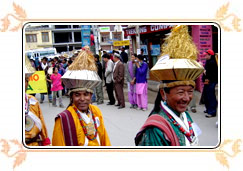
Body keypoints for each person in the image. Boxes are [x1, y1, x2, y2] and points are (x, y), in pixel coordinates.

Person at [135, 25, 204, 146]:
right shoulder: (155, 130)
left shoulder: (184, 115)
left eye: (190, 91)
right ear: (163, 93)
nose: (187, 98)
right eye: (181, 92)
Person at [52, 46, 111, 146]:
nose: (82, 99)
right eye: (77, 95)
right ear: (71, 97)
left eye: (86, 94)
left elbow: (104, 140)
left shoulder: (96, 111)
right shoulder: (63, 119)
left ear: (91, 95)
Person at [24, 56, 51, 146]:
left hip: (35, 144)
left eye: (24, 81)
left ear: (27, 83)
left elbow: (41, 121)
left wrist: (45, 140)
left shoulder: (33, 100)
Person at [202, 49, 218, 118]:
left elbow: (211, 74)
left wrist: (205, 71)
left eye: (206, 55)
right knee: (206, 94)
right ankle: (208, 109)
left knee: (211, 95)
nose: (204, 56)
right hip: (207, 80)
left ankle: (212, 112)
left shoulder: (212, 63)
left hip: (211, 81)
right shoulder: (208, 61)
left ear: (210, 55)